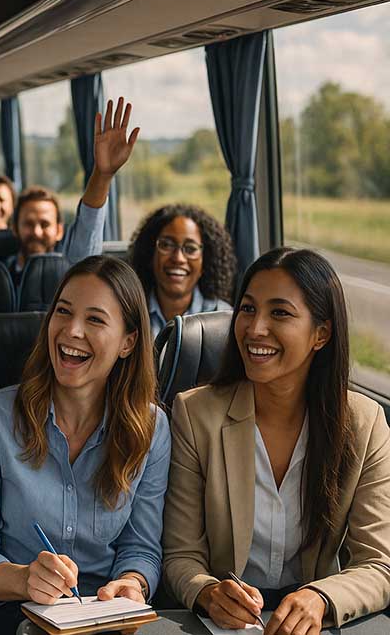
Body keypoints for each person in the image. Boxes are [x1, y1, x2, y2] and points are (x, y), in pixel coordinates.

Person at [163, 248, 390, 634]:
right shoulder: (195, 414)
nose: (255, 329)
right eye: (248, 309)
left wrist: (320, 598)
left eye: (279, 313)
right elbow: (180, 555)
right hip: (226, 625)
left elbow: (379, 564)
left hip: (311, 622)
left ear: (322, 333)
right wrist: (208, 592)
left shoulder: (365, 423)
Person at [0, 256, 170, 634]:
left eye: (95, 320)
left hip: (104, 616)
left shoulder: (152, 427)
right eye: (63, 312)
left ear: (128, 342)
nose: (71, 331)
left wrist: (132, 583)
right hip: (15, 614)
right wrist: (24, 579)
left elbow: (141, 547)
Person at [4, 98, 140, 288]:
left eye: (44, 224)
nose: (36, 232)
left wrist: (102, 174)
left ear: (59, 230)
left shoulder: (72, 271)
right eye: (28, 223)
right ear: (14, 227)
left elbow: (88, 224)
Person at [127, 204, 236, 337]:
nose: (178, 258)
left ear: (206, 260)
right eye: (166, 245)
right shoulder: (129, 313)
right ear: (150, 254)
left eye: (190, 249)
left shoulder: (224, 318)